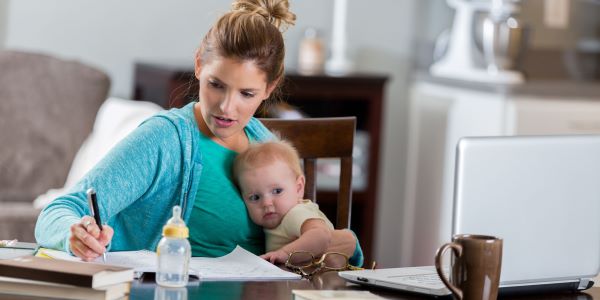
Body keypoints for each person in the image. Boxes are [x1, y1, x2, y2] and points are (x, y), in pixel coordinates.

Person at [35, 0, 361, 263]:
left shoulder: (266, 145)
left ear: (269, 88)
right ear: (198, 66)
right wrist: (74, 234)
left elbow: (301, 233)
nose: (226, 108)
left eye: (246, 94)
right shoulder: (166, 140)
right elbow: (56, 212)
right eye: (216, 85)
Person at [233, 140, 363, 266]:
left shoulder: (296, 213)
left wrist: (284, 254)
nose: (266, 203)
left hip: (322, 282)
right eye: (255, 197)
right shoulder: (280, 218)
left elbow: (321, 236)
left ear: (299, 188)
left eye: (277, 191)